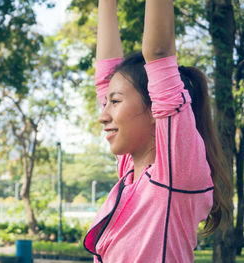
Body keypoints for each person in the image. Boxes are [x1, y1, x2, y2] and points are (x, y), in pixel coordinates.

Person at [82, 0, 231, 262]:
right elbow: (105, 77)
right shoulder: (131, 171)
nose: (103, 116)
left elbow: (159, 52)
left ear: (155, 111)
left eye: (114, 102)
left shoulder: (174, 175)